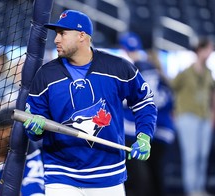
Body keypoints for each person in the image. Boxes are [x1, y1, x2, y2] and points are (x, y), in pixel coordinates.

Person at [22, 10, 157, 196]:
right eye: (56, 34)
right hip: (61, 174)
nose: (56, 40)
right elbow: (35, 128)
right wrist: (34, 127)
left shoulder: (118, 68)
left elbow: (144, 102)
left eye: (62, 34)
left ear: (82, 36)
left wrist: (144, 136)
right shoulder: (45, 75)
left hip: (108, 174)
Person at [119, 32, 176, 196]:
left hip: (140, 130)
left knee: (143, 177)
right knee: (148, 175)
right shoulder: (148, 69)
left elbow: (150, 100)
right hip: (149, 130)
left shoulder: (142, 68)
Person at [171, 37, 215, 196]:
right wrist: (175, 111)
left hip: (205, 117)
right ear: (200, 50)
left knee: (203, 155)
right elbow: (172, 89)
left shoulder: (209, 72)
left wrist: (213, 115)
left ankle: (200, 188)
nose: (211, 52)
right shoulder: (186, 72)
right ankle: (191, 190)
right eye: (209, 49)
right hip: (188, 116)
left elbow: (212, 94)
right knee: (191, 155)